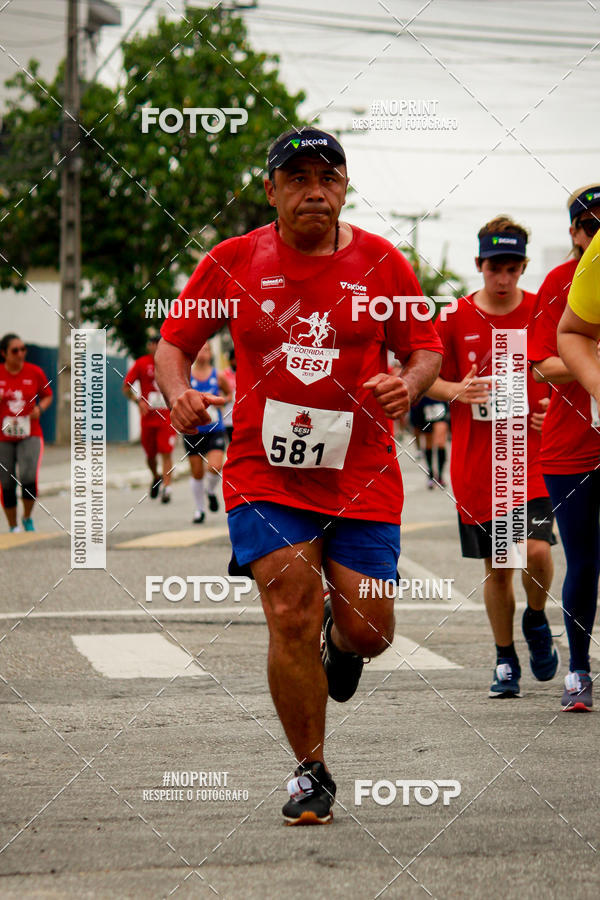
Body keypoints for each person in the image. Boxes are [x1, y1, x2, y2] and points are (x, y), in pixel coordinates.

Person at [155, 127, 442, 825]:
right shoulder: (232, 261)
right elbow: (172, 345)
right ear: (272, 189)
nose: (316, 190)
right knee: (290, 609)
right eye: (300, 178)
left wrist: (409, 381)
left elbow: (426, 345)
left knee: (371, 627)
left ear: (344, 187)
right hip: (265, 470)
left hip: (363, 471)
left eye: (330, 177)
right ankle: (309, 771)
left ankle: (345, 648)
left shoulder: (382, 262)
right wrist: (180, 394)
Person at [428, 215, 558, 699]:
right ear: (479, 266)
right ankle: (505, 659)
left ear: (523, 267)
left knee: (538, 550)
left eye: (511, 268)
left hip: (530, 458)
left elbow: (565, 370)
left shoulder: (542, 312)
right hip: (478, 464)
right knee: (499, 566)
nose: (502, 279)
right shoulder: (456, 317)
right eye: (493, 268)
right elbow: (428, 377)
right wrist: (456, 391)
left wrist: (555, 412)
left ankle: (536, 616)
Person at [544, 184, 600, 710]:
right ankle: (578, 670)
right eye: (592, 225)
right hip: (570, 446)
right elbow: (541, 361)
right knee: (584, 560)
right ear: (575, 233)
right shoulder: (559, 282)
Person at [0, 333, 53, 532]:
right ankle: (13, 525)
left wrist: (40, 409)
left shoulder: (35, 372)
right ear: (4, 353)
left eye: (23, 349)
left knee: (29, 476)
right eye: (15, 350)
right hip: (3, 436)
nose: (20, 354)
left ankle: (27, 517)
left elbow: (47, 395)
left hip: (30, 433)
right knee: (6, 481)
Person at [123, 334, 177, 503]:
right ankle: (156, 476)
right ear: (149, 346)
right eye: (152, 344)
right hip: (148, 417)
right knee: (150, 455)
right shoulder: (141, 363)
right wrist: (138, 401)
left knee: (166, 452)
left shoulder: (171, 362)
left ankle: (167, 489)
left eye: (158, 343)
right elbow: (126, 386)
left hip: (166, 417)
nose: (155, 347)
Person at [185, 343, 231, 523]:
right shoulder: (187, 376)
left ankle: (210, 490)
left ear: (211, 353)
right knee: (197, 473)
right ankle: (199, 509)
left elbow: (229, 395)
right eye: (200, 349)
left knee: (215, 467)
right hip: (193, 429)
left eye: (206, 350)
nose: (203, 354)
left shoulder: (218, 376)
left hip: (215, 428)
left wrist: (220, 401)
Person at [409, 396, 450, 488]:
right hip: (423, 401)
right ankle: (431, 475)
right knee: (428, 441)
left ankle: (440, 476)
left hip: (438, 401)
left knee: (440, 442)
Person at [221, 348, 236, 444]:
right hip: (228, 416)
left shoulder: (244, 373)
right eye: (233, 359)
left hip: (241, 416)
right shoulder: (224, 374)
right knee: (232, 443)